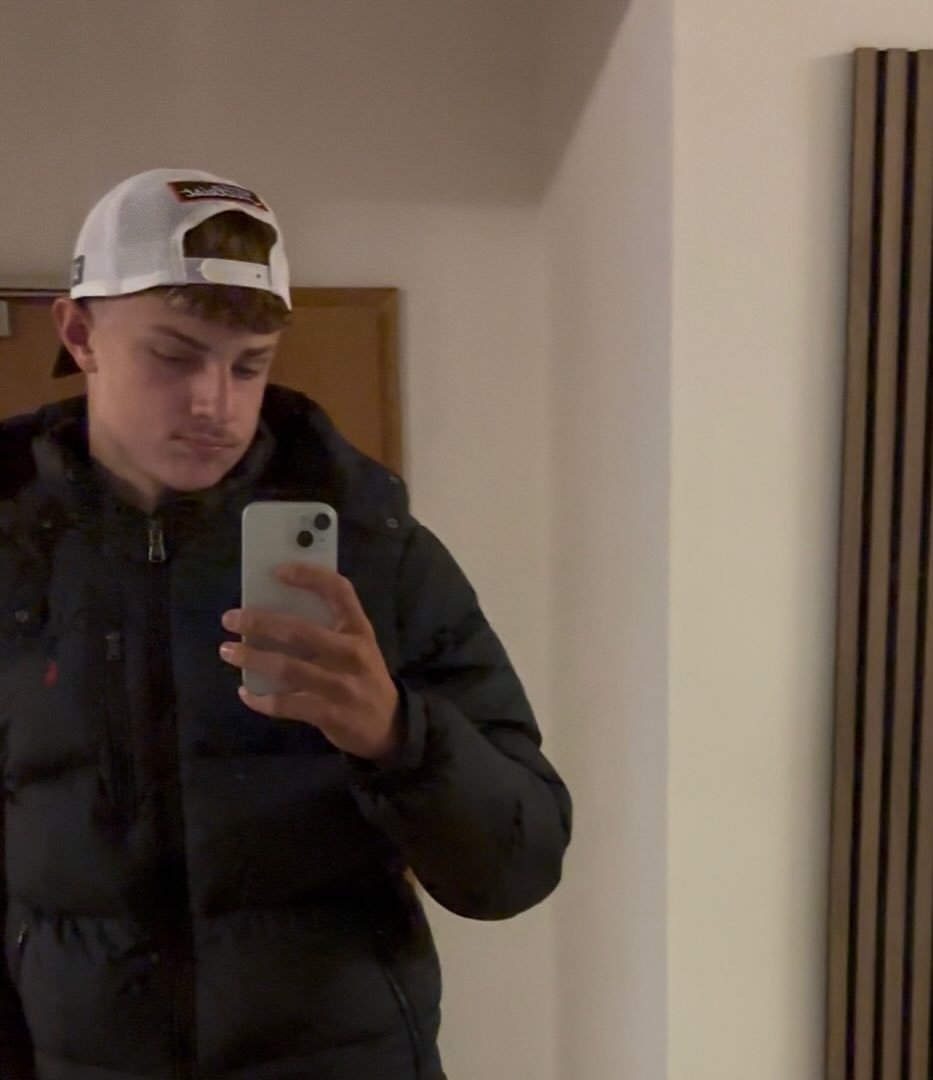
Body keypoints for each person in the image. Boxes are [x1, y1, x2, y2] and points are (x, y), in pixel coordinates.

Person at [0, 169, 571, 1080]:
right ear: (79, 333)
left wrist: (398, 737)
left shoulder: (378, 551)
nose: (215, 403)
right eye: (174, 356)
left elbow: (519, 864)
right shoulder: (12, 550)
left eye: (249, 365)